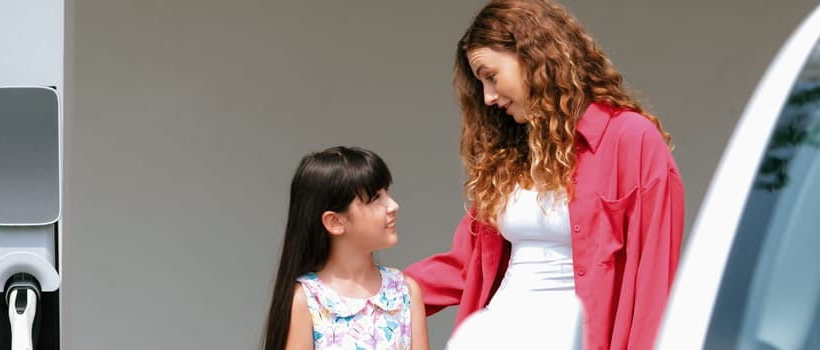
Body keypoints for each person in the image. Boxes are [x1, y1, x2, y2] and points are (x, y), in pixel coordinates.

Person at [403, 0, 685, 349]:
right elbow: (465, 267)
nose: (488, 97)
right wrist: (366, 293)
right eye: (481, 85)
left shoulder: (630, 139)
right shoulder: (509, 156)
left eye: (491, 77)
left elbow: (654, 282)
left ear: (533, 56)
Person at [262, 146, 429, 350]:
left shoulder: (406, 291)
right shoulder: (307, 300)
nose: (393, 205)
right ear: (335, 221)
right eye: (375, 198)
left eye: (387, 192)